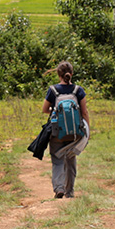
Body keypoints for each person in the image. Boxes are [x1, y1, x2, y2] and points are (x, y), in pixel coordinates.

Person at [42, 61, 89, 199]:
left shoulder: (53, 90)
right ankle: (70, 191)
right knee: (71, 160)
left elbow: (45, 110)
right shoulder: (78, 90)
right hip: (74, 132)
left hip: (57, 132)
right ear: (71, 74)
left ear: (58, 74)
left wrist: (54, 110)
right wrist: (87, 130)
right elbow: (85, 112)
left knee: (57, 160)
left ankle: (59, 188)